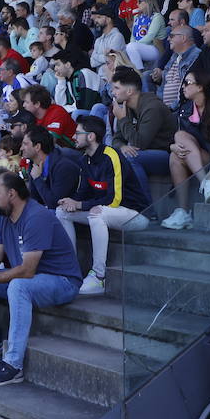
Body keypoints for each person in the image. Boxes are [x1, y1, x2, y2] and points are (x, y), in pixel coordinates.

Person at [0, 171, 82, 387]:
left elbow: (27, 271)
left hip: (62, 282)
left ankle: (13, 364)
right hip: (33, 280)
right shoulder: (3, 217)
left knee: (18, 285)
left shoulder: (36, 217)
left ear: (12, 193)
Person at [55, 115, 150, 295]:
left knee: (96, 213)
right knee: (62, 212)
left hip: (135, 214)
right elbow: (82, 192)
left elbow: (114, 199)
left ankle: (99, 276)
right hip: (109, 212)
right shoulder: (84, 160)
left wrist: (80, 204)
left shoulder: (111, 155)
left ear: (91, 136)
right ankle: (70, 269)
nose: (74, 137)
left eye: (78, 133)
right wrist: (71, 202)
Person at [160, 69, 210, 230]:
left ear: (200, 87)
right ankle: (199, 192)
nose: (183, 87)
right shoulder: (185, 109)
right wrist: (171, 146)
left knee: (180, 137)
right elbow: (174, 137)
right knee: (175, 154)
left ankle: (207, 182)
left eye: (187, 83)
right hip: (198, 159)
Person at [110, 67, 176, 200]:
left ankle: (146, 208)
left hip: (167, 155)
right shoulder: (127, 106)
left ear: (129, 91)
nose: (113, 92)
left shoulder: (152, 107)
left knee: (131, 157)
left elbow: (140, 143)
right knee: (115, 156)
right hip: (147, 153)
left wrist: (122, 119)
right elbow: (116, 139)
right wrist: (122, 147)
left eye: (116, 88)